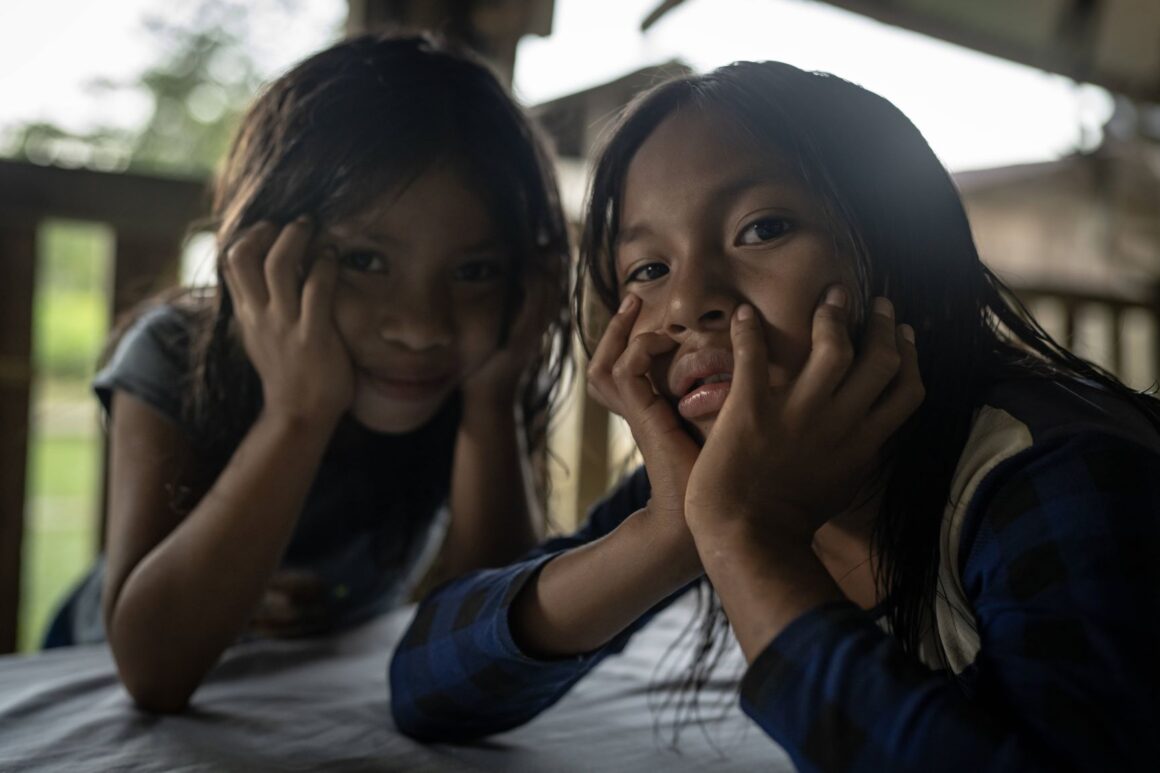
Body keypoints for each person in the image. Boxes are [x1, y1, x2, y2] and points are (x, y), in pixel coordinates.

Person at [388, 61, 1160, 771]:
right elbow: (427, 687)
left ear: (907, 255)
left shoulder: (1057, 477)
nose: (687, 302)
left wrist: (746, 540)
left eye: (762, 228)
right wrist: (673, 529)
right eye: (649, 268)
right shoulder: (727, 474)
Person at [43, 33, 572, 714]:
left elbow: (488, 651)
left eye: (474, 271)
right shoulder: (172, 354)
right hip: (83, 682)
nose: (422, 326)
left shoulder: (478, 378)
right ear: (262, 253)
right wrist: (297, 412)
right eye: (365, 261)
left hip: (306, 697)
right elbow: (151, 670)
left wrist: (493, 404)